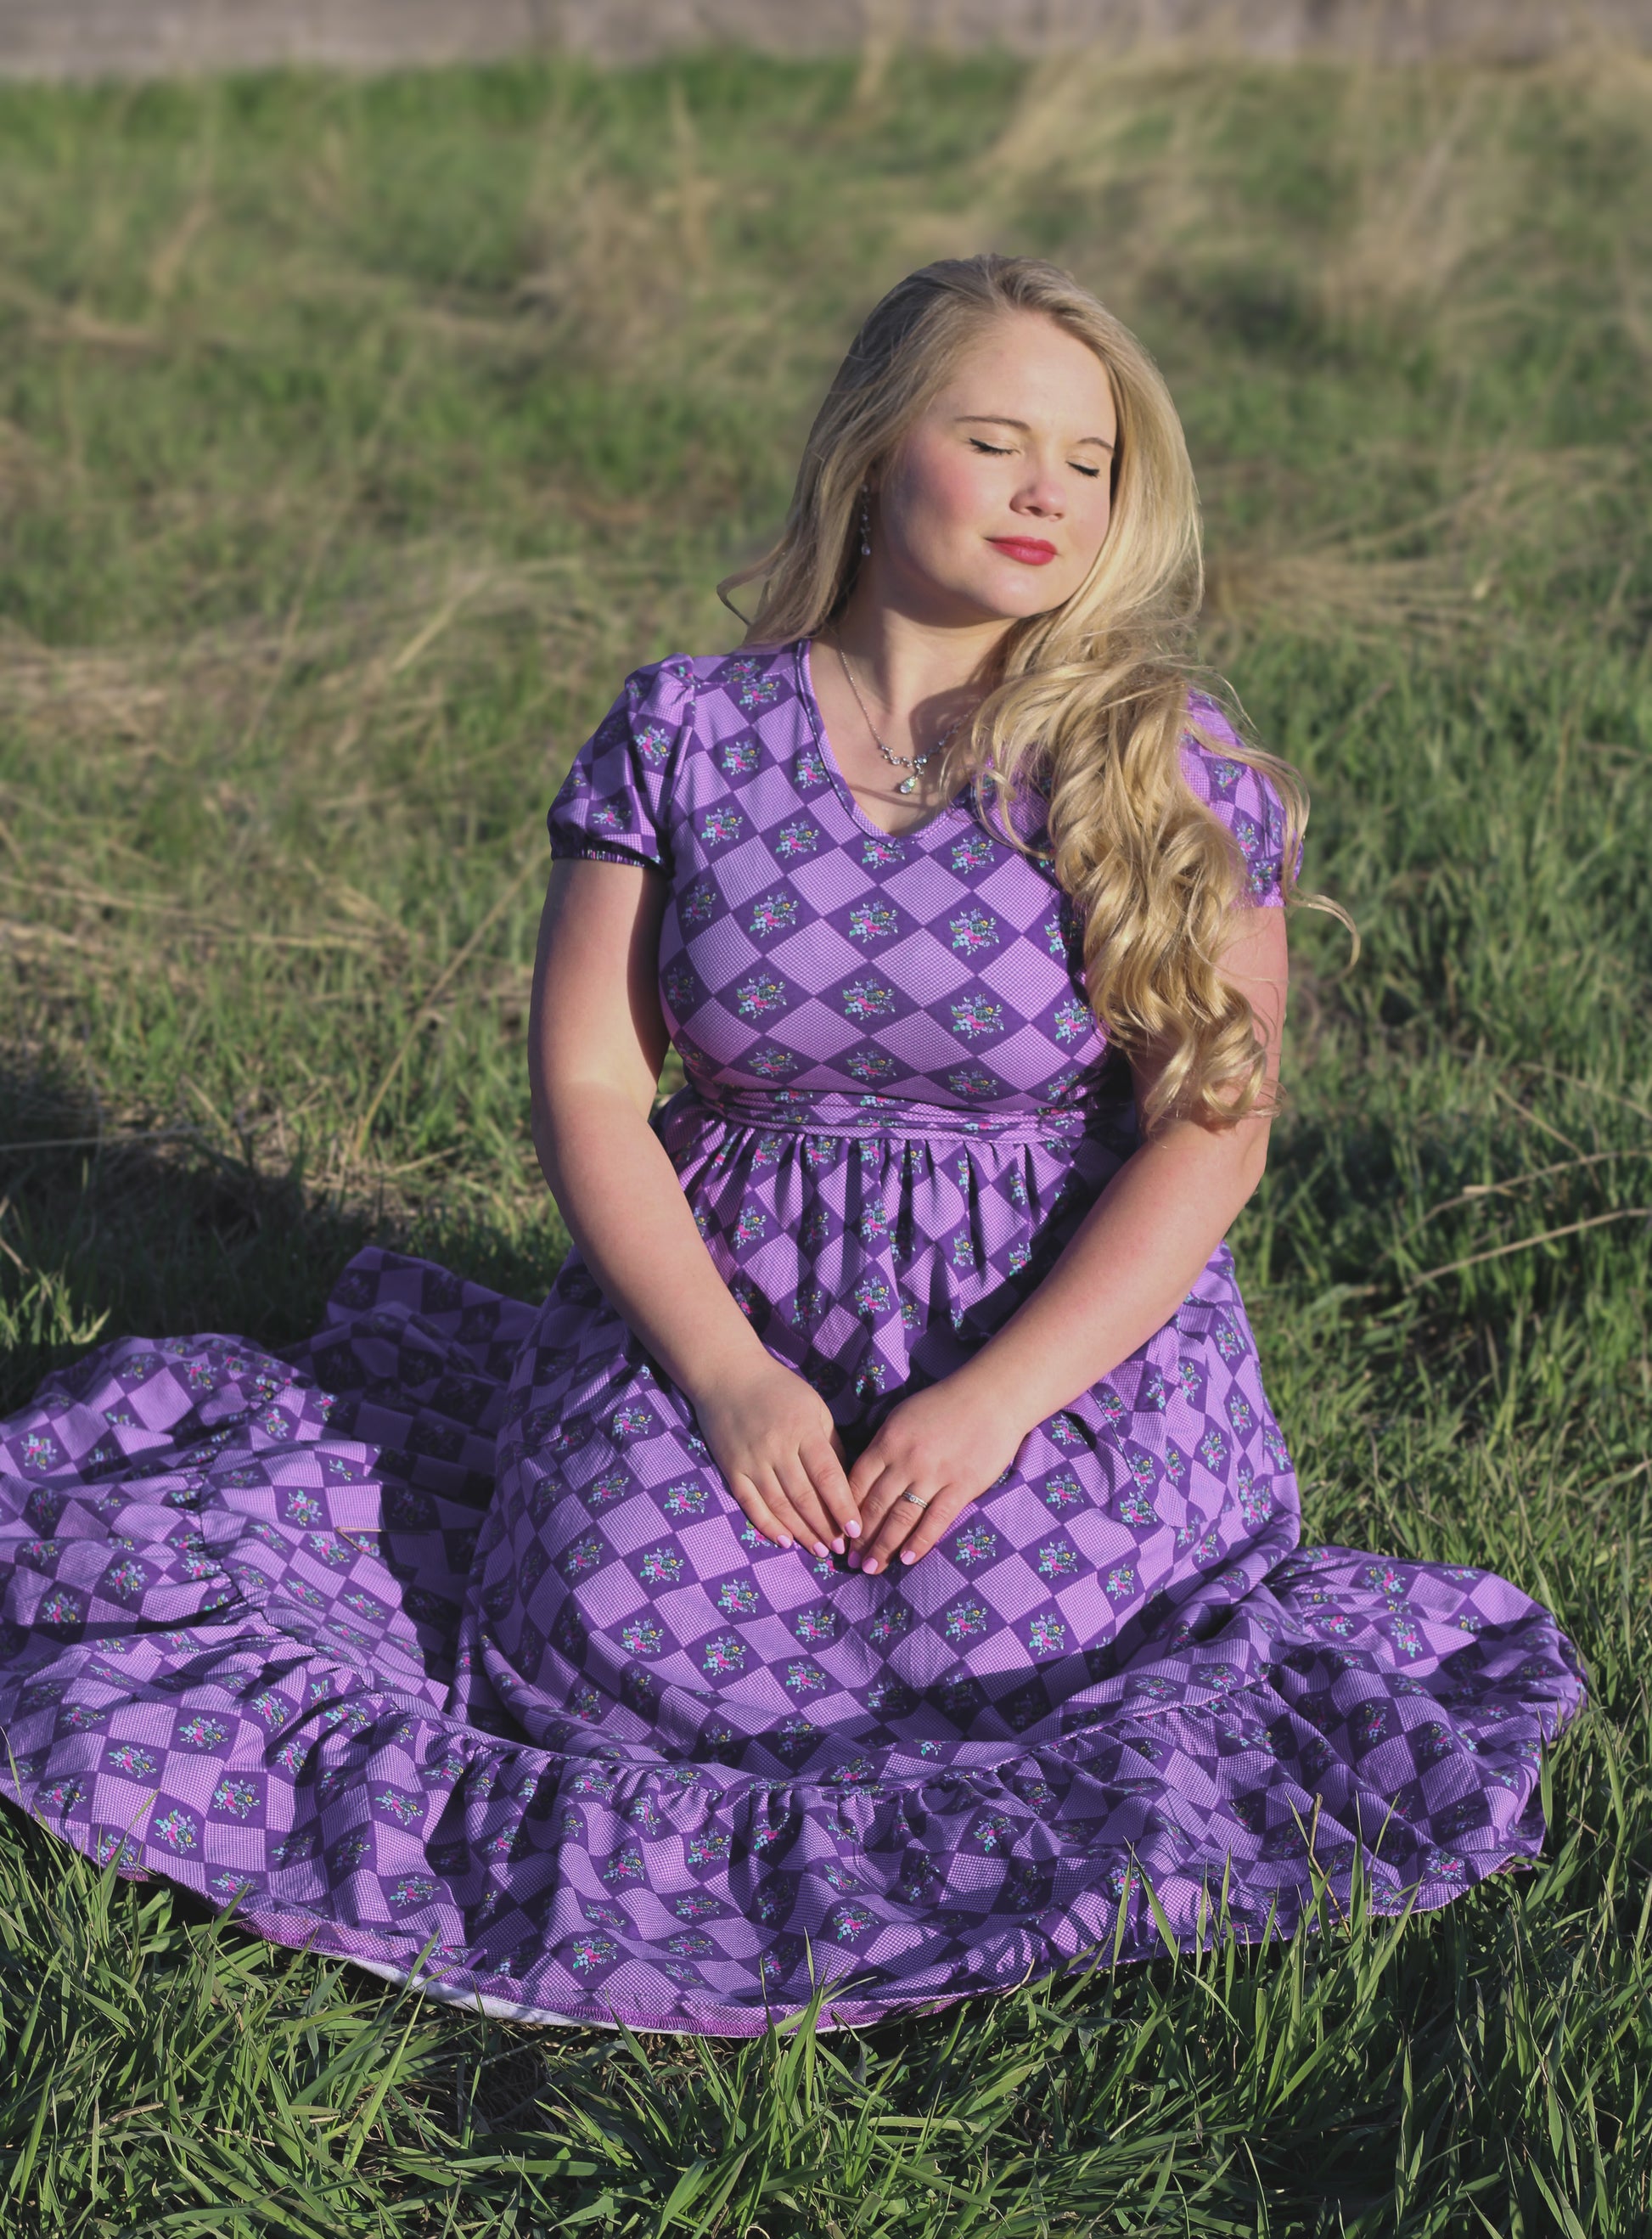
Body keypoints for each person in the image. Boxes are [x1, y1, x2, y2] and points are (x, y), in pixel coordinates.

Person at [0, 257, 1583, 2035]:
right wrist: (727, 1379)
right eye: (995, 441)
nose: (1049, 492)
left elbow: (1208, 1141)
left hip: (1050, 1348)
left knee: (1025, 1659)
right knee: (612, 1643)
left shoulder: (1159, 762)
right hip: (721, 1308)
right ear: (870, 453)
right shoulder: (685, 730)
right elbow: (592, 1086)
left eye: (1089, 460)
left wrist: (995, 1405)